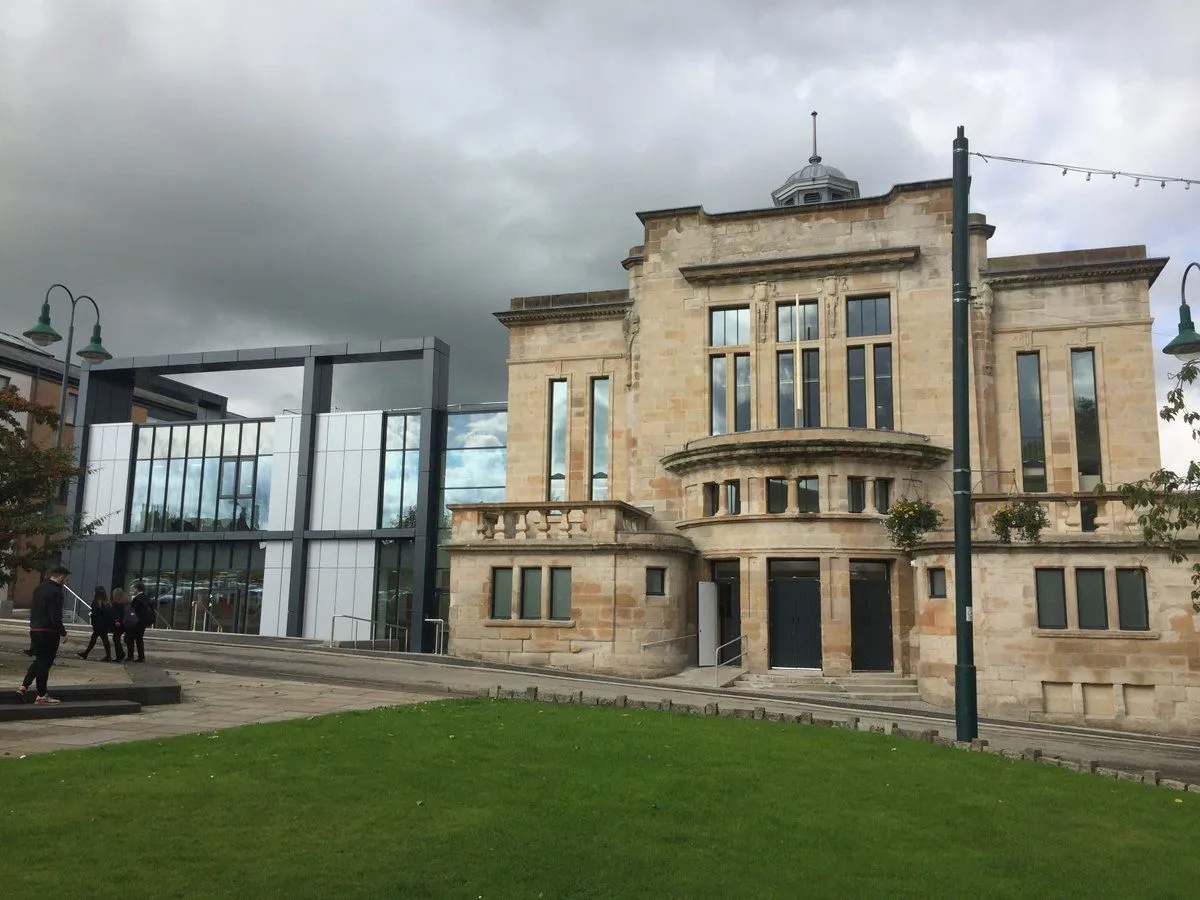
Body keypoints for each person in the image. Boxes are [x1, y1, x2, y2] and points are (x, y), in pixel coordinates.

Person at [16, 565, 70, 705]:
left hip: (35, 628)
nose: (66, 582)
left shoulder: (39, 588)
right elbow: (55, 615)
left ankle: (24, 687)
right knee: (45, 663)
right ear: (61, 577)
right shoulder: (56, 592)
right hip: (49, 631)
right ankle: (42, 694)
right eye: (65, 579)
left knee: (40, 660)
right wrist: (63, 632)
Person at [77, 586, 114, 661]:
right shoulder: (107, 602)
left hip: (98, 625)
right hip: (104, 625)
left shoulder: (96, 602)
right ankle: (86, 653)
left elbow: (95, 614)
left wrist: (93, 622)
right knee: (99, 639)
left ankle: (107, 656)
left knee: (100, 639)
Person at [124, 581, 153, 663]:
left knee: (128, 638)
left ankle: (130, 656)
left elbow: (132, 611)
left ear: (137, 589)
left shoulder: (136, 599)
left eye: (134, 588)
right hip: (143, 622)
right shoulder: (147, 598)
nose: (133, 590)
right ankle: (141, 656)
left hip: (135, 622)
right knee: (139, 639)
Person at [110, 587, 129, 662]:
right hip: (124, 623)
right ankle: (120, 654)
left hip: (118, 623)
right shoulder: (126, 603)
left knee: (116, 638)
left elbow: (115, 613)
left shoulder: (116, 604)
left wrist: (116, 621)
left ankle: (120, 654)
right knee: (116, 638)